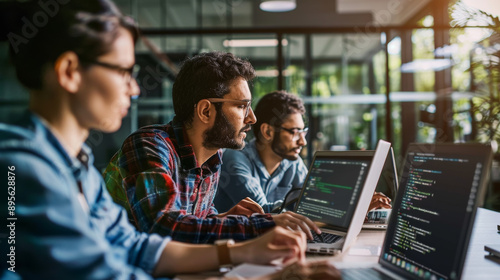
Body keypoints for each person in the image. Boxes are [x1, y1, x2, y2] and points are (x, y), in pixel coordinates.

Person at [0, 1, 340, 279]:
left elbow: (133, 246)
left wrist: (241, 249)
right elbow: (112, 267)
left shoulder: (78, 164)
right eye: (123, 71)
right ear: (70, 71)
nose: (133, 88)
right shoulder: (23, 168)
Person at [103, 51, 322, 244]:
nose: (252, 118)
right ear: (206, 111)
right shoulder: (149, 146)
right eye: (242, 106)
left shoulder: (212, 157)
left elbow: (193, 223)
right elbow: (164, 227)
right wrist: (264, 225)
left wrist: (223, 218)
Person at [215, 91, 391, 213]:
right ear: (268, 132)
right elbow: (261, 211)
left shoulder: (293, 162)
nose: (303, 141)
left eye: (303, 132)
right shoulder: (234, 159)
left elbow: (314, 200)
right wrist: (346, 202)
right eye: (294, 132)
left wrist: (355, 201)